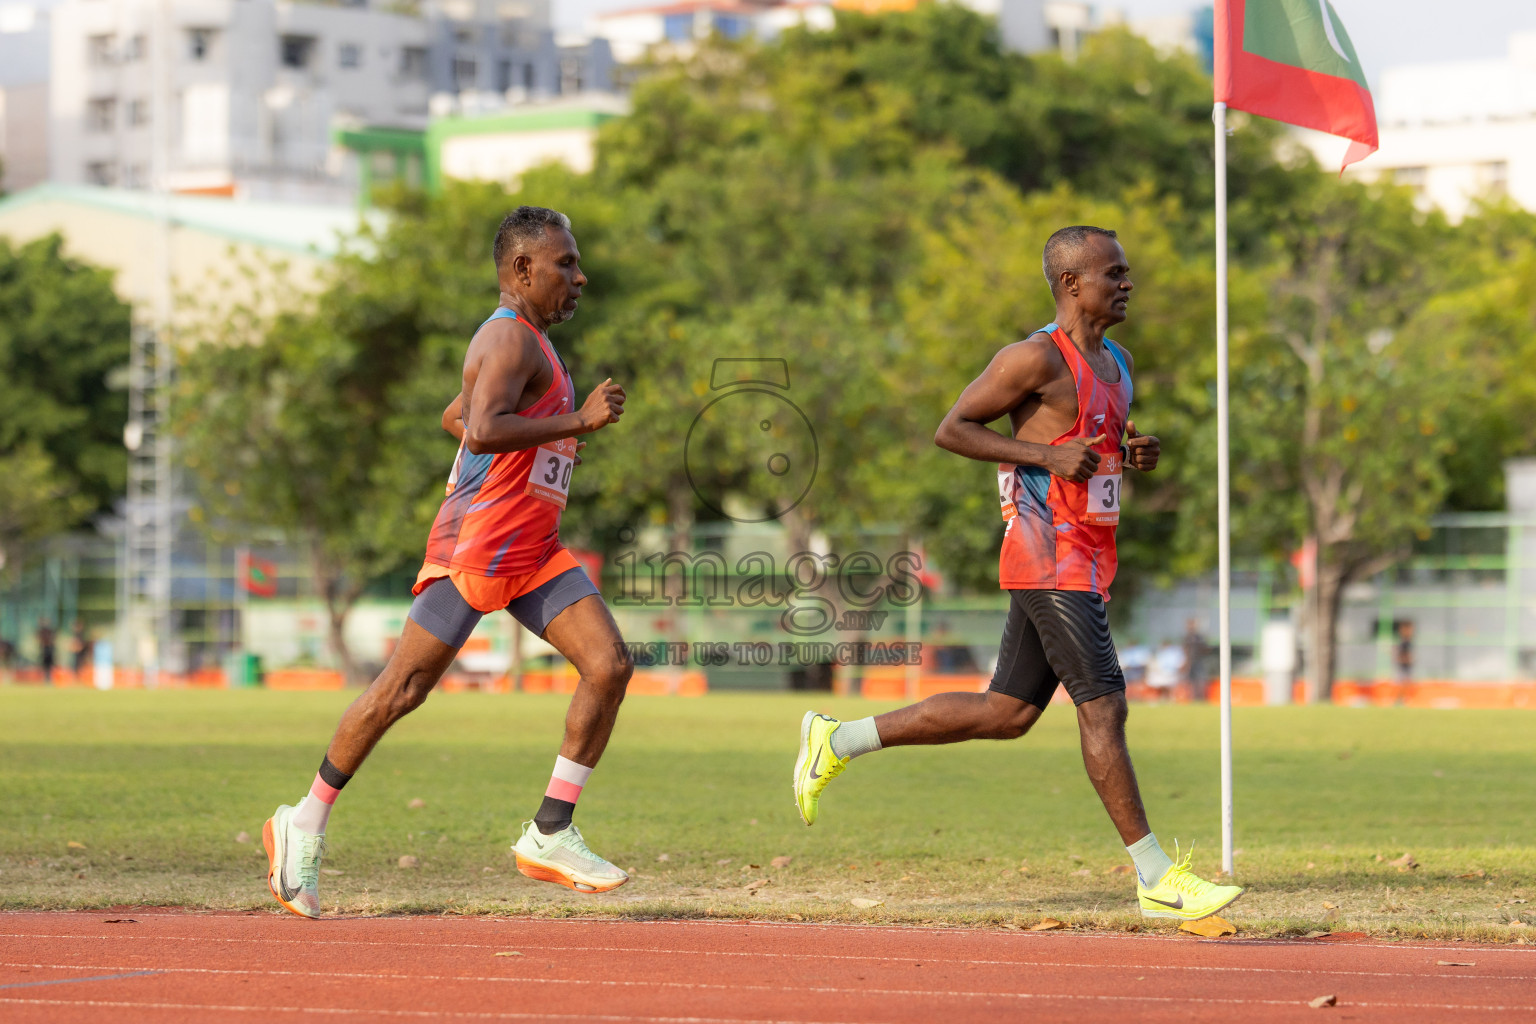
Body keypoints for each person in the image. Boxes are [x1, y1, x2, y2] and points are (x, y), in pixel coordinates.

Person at [793, 225, 1242, 923]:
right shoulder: (1033, 357)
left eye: (1127, 273)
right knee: (1104, 705)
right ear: (1071, 284)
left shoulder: (1117, 361)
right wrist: (1046, 460)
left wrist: (1132, 451)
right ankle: (1156, 877)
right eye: (1113, 274)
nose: (1127, 284)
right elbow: (953, 428)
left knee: (1007, 713)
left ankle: (836, 738)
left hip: (1089, 553)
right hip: (1045, 553)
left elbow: (1091, 441)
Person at [264, 206, 634, 919]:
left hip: (531, 551)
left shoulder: (529, 342)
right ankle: (301, 819)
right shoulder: (506, 337)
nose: (579, 276)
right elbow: (487, 428)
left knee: (610, 665)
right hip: (479, 546)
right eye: (565, 263)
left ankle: (550, 832)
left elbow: (456, 417)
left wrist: (546, 440)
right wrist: (576, 423)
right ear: (522, 269)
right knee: (400, 690)